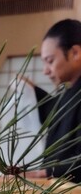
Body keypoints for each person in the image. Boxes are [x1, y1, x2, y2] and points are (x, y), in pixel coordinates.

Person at [29, 19, 81, 183]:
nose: (45, 71)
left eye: (50, 61)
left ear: (75, 53)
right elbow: (54, 112)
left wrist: (48, 171)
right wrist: (31, 91)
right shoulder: (70, 90)